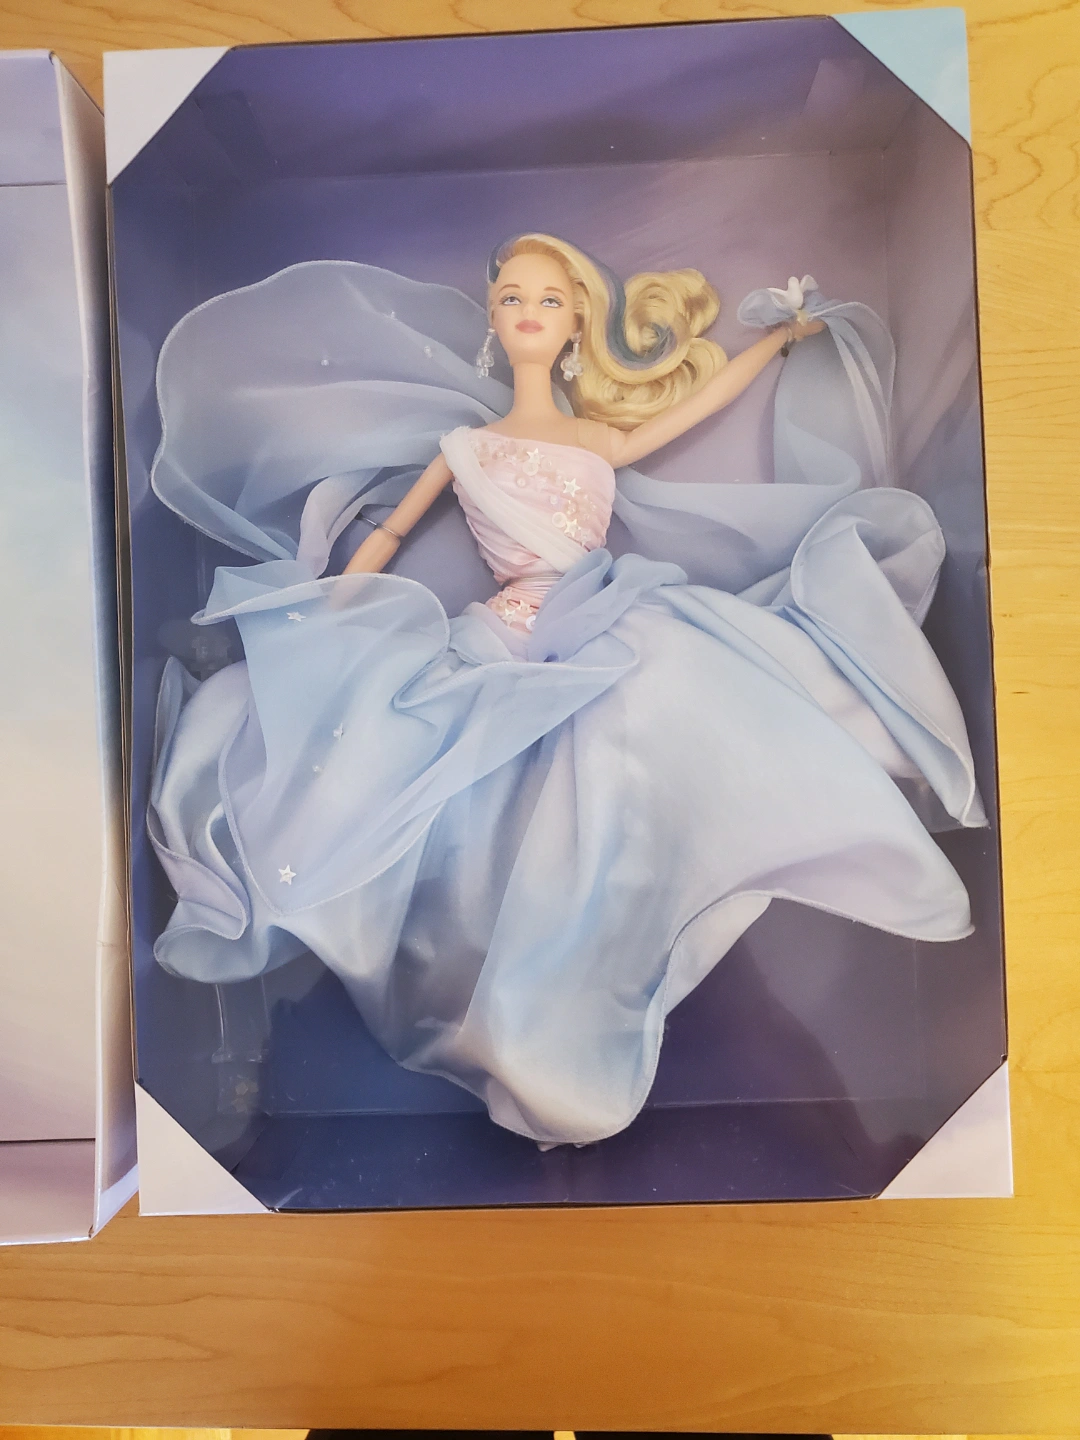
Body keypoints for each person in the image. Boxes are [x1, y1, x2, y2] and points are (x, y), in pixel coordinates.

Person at [148, 234, 985, 1148]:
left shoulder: (598, 438)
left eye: (548, 300)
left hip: (603, 614)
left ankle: (616, 948)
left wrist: (777, 342)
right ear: (492, 318)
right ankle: (526, 999)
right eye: (512, 298)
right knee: (478, 811)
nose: (528, 314)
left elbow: (703, 401)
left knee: (685, 720)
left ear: (578, 319)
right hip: (505, 635)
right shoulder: (465, 447)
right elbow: (387, 537)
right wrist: (327, 614)